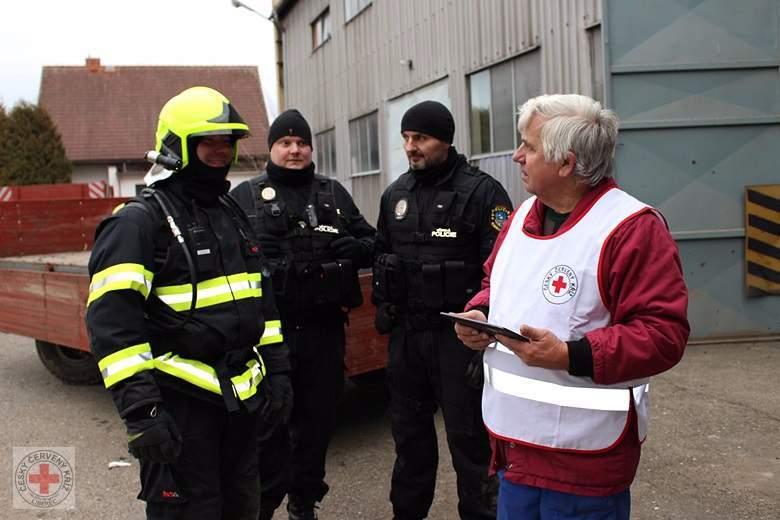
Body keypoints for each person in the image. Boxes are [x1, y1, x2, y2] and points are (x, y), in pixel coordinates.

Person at [454, 94, 690, 519]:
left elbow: (662, 335)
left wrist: (570, 354)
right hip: (515, 451)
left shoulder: (631, 229)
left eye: (529, 146)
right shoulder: (522, 215)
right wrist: (480, 315)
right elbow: (497, 282)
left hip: (585, 463)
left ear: (566, 163)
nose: (516, 156)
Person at [85, 86, 291, 520]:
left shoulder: (231, 213)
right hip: (179, 409)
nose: (220, 152)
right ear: (176, 145)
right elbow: (112, 326)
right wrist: (142, 411)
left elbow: (262, 304)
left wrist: (278, 372)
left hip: (240, 404)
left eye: (227, 142)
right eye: (207, 141)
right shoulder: (139, 222)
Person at [231, 109, 376, 520]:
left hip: (325, 332)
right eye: (285, 143)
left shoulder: (332, 193)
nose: (294, 150)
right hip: (269, 337)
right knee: (266, 429)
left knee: (317, 427)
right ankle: (259, 506)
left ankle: (303, 502)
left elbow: (371, 241)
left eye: (301, 143)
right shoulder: (245, 197)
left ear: (310, 147)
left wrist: (357, 248)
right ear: (272, 148)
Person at [373, 100, 513, 520]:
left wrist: (487, 334)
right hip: (408, 341)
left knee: (471, 445)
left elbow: (503, 268)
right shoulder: (396, 193)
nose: (411, 147)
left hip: (459, 342)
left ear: (445, 141)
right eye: (407, 138)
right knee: (409, 442)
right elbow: (382, 252)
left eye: (421, 138)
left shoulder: (481, 192)